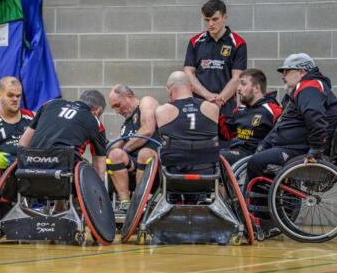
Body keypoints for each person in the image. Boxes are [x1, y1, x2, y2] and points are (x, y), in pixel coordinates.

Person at [247, 53, 337, 183]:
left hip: (298, 149)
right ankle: (277, 201)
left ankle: (256, 203)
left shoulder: (309, 86)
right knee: (260, 156)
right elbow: (282, 122)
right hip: (291, 146)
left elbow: (314, 115)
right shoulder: (301, 90)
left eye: (286, 71)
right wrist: (264, 144)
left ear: (301, 72)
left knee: (255, 162)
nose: (282, 76)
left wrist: (316, 148)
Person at [183, 0, 247, 142]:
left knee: (224, 149)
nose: (210, 24)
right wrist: (207, 96)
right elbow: (188, 72)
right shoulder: (195, 42)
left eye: (215, 19)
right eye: (207, 20)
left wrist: (219, 101)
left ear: (225, 17)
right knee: (198, 146)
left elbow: (237, 78)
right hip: (199, 106)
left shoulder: (238, 43)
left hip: (225, 108)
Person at [19, 89, 107, 179]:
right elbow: (99, 168)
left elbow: (23, 143)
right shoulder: (96, 122)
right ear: (97, 111)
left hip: (31, 167)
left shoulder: (50, 104)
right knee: (85, 164)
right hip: (63, 173)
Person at [107, 84, 160, 213]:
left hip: (153, 164)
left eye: (118, 105)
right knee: (114, 155)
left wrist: (125, 148)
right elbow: (114, 147)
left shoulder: (146, 102)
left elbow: (147, 130)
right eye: (114, 108)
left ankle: (139, 201)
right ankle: (125, 203)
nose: (117, 111)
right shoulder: (126, 125)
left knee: (144, 153)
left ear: (129, 96)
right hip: (134, 165)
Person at [155, 71, 219, 171]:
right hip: (207, 171)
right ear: (192, 87)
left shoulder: (162, 111)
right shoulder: (213, 108)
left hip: (173, 172)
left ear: (169, 90)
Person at [220, 69, 282, 165]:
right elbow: (227, 134)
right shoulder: (239, 110)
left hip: (254, 155)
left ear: (256, 88)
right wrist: (217, 112)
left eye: (243, 84)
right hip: (234, 151)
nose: (238, 89)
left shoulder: (273, 110)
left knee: (217, 157)